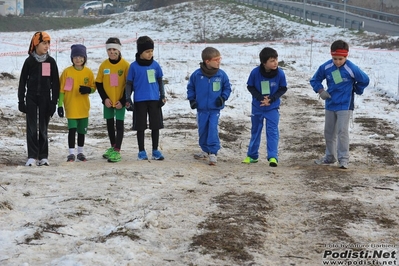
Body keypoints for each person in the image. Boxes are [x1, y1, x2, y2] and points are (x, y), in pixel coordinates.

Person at [310, 39, 369, 169]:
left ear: (346, 56)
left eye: (340, 59)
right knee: (329, 132)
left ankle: (343, 159)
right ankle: (330, 157)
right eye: (335, 58)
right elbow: (315, 79)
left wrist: (357, 89)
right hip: (330, 103)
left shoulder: (351, 68)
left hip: (345, 105)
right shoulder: (326, 67)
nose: (337, 62)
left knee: (342, 132)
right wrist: (320, 90)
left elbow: (365, 80)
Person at [18, 31, 60, 166]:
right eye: (44, 43)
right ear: (36, 44)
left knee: (43, 127)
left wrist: (54, 102)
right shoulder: (29, 61)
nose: (47, 46)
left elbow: (55, 83)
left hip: (45, 97)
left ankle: (43, 156)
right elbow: (22, 81)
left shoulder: (51, 61)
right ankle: (32, 156)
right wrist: (21, 100)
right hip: (31, 97)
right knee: (31, 127)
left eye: (48, 43)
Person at [242, 47, 287, 167]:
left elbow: (283, 88)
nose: (275, 63)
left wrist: (271, 99)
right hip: (257, 107)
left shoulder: (280, 73)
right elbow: (250, 86)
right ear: (264, 62)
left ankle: (273, 156)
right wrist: (260, 98)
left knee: (272, 132)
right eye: (272, 61)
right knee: (255, 131)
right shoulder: (255, 72)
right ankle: (252, 156)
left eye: (276, 59)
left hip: (272, 108)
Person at [187, 47, 231, 165]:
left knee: (212, 128)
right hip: (201, 109)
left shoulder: (221, 75)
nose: (219, 62)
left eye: (219, 59)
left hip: (214, 109)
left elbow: (227, 88)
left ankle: (213, 152)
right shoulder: (197, 75)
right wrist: (192, 100)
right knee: (203, 129)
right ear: (207, 61)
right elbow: (191, 87)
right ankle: (205, 149)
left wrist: (223, 98)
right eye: (216, 59)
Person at [126, 35, 166, 161]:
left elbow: (160, 81)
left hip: (154, 99)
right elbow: (129, 84)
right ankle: (141, 151)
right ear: (140, 52)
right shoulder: (133, 67)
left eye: (151, 51)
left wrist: (162, 95)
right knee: (140, 126)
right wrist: (128, 99)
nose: (150, 54)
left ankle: (155, 150)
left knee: (155, 125)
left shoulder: (155, 65)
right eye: (147, 51)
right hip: (140, 100)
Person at [58, 44, 96, 162]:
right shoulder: (67, 72)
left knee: (81, 131)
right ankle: (71, 153)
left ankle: (80, 152)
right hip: (71, 106)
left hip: (83, 107)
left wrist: (88, 90)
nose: (78, 59)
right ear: (72, 58)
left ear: (84, 58)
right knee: (72, 130)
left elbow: (94, 87)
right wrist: (59, 105)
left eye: (80, 57)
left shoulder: (88, 72)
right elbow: (62, 90)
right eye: (75, 57)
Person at [95, 37, 130, 163]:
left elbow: (129, 85)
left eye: (114, 49)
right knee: (110, 124)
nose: (112, 52)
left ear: (119, 50)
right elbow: (98, 83)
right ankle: (113, 146)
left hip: (120, 101)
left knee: (119, 125)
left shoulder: (125, 65)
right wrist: (104, 99)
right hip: (108, 102)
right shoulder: (104, 65)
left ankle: (117, 150)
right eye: (109, 49)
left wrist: (123, 100)